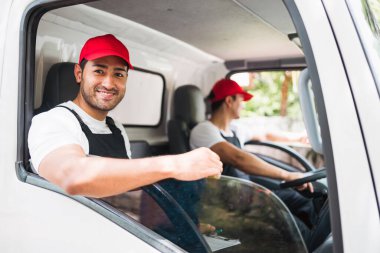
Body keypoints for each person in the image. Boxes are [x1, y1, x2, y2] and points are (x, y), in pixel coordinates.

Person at [28, 34, 222, 199]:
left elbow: (125, 191)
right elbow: (72, 176)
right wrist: (174, 164)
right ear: (79, 74)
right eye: (99, 71)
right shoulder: (53, 121)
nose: (109, 83)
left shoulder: (116, 128)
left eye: (118, 74)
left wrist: (177, 221)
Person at [190, 78, 330, 252]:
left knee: (302, 200)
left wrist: (296, 137)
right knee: (288, 221)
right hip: (225, 197)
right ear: (229, 100)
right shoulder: (204, 130)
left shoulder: (235, 129)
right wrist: (286, 175)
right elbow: (236, 158)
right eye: (241, 100)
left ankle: (321, 240)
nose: (243, 105)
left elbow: (265, 134)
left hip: (245, 190)